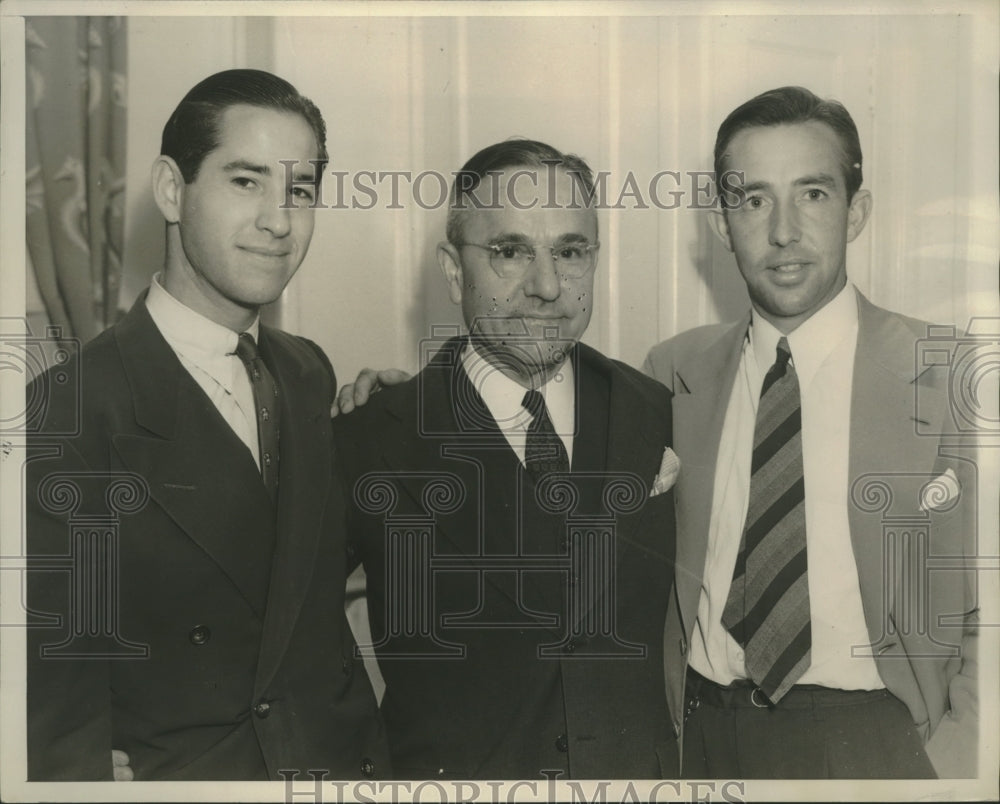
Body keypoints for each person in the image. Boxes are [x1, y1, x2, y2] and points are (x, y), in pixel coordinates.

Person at [25, 69, 387, 781]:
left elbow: (297, 575)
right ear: (170, 189)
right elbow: (54, 702)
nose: (279, 221)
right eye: (246, 181)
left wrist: (404, 416)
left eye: (301, 190)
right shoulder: (67, 411)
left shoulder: (307, 370)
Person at [644, 85, 978, 778]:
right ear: (720, 222)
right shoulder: (672, 371)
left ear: (856, 212)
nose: (784, 232)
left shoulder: (951, 376)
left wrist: (957, 761)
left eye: (814, 195)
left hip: (879, 742)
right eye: (754, 199)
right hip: (703, 742)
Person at [332, 139, 679, 778]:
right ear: (455, 270)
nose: (547, 286)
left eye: (570, 252)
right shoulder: (372, 436)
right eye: (510, 252)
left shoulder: (653, 407)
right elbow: (276, 640)